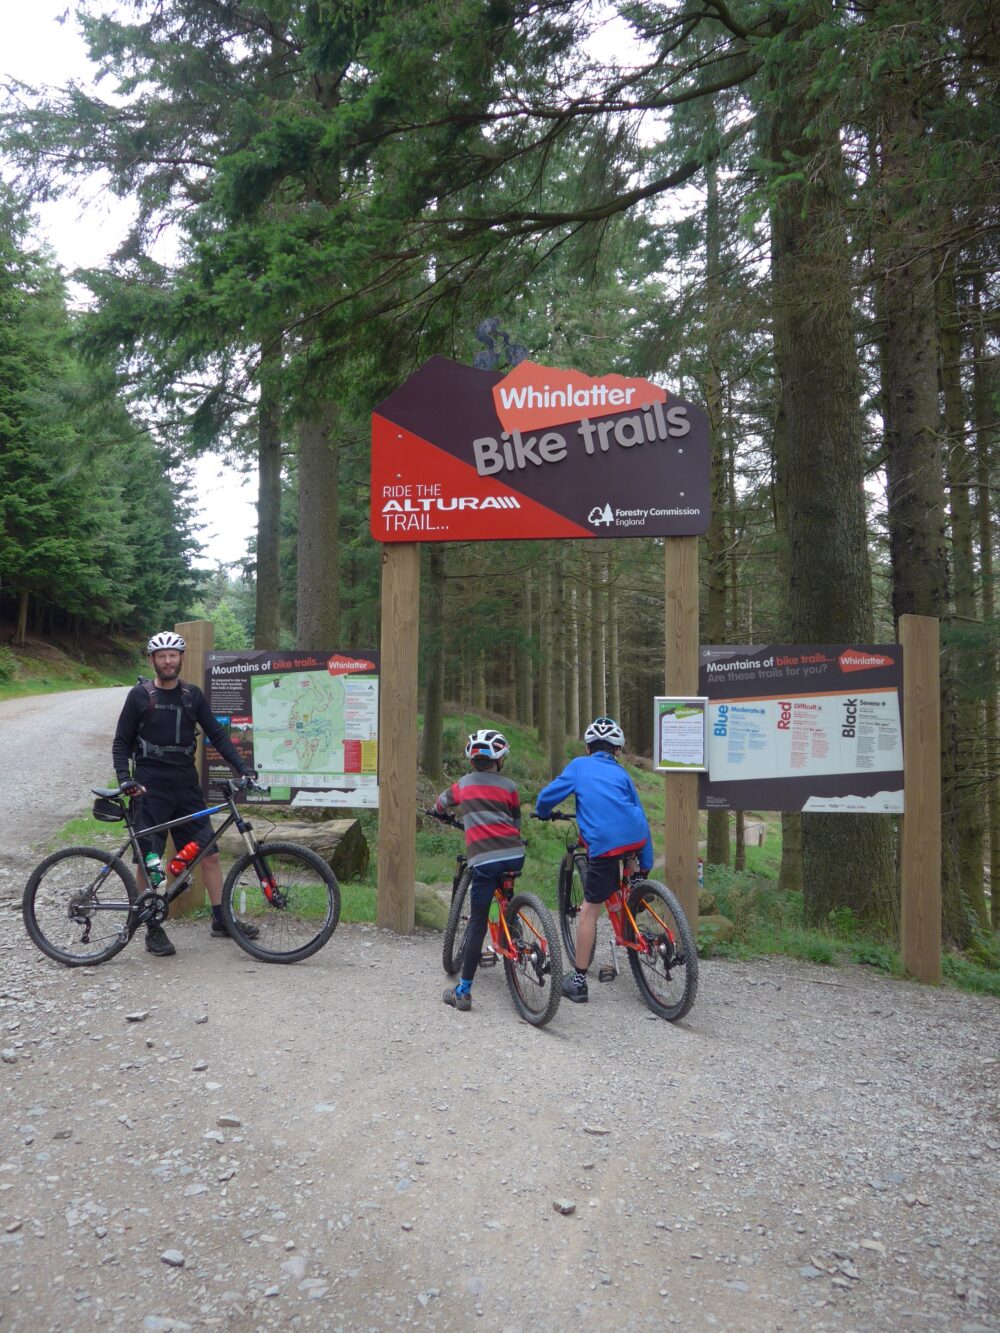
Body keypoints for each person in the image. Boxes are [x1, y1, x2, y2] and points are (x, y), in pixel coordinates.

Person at [112, 630, 258, 957]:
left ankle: (221, 918)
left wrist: (243, 768)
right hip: (149, 787)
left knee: (208, 852)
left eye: (173, 655)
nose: (167, 660)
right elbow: (121, 742)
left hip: (186, 787)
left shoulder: (192, 696)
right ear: (152, 660)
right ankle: (151, 926)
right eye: (161, 656)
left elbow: (217, 735)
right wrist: (125, 779)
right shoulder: (140, 696)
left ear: (180, 659)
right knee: (148, 858)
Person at [534, 716, 653, 1003]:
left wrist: (541, 809)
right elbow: (640, 814)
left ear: (588, 748)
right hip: (636, 836)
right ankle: (635, 886)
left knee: (589, 910)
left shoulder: (578, 766)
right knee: (630, 862)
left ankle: (578, 981)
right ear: (617, 751)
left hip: (604, 844)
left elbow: (547, 798)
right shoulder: (622, 773)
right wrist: (646, 863)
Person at [433, 728, 524, 1012]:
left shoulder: (463, 785)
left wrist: (439, 814)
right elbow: (516, 821)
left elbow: (440, 804)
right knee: (505, 886)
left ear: (471, 761)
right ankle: (514, 927)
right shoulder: (509, 787)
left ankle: (464, 991)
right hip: (514, 854)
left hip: (483, 859)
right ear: (500, 761)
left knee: (477, 923)